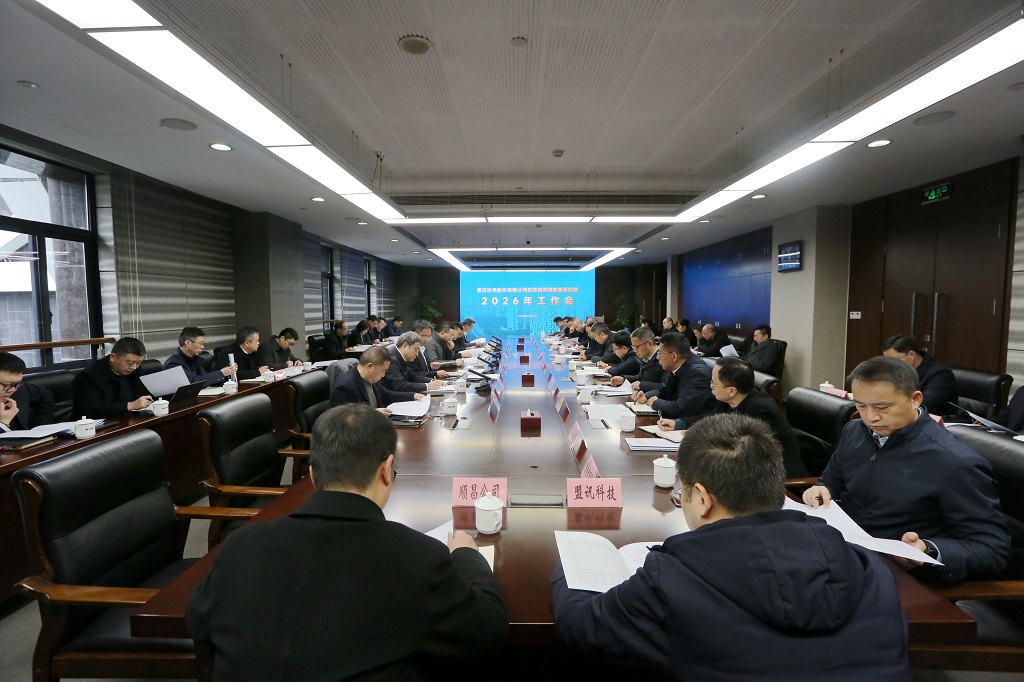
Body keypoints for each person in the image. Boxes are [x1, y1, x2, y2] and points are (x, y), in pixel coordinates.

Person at [552, 413, 911, 681]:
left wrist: (573, 559)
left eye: (681, 493)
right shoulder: (866, 565)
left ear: (702, 498)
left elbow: (584, 628)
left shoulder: (673, 579)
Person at [187, 403, 508, 680]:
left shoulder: (241, 545)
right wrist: (467, 555)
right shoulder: (417, 557)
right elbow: (487, 631)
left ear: (313, 475)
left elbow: (198, 622)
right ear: (387, 470)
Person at [803, 357, 1009, 584]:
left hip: (897, 574)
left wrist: (928, 549)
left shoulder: (955, 461)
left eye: (883, 407)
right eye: (861, 406)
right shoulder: (855, 430)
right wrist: (821, 488)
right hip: (843, 549)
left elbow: (992, 549)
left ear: (915, 399)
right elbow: (832, 479)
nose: (870, 417)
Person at [660, 356, 806, 477]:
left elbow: (748, 450)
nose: (711, 386)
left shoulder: (760, 409)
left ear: (732, 390)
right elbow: (711, 419)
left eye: (714, 383)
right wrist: (679, 423)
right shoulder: (730, 399)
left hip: (776, 476)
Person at [634, 332, 717, 423]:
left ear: (674, 356)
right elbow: (664, 389)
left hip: (699, 425)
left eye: (660, 353)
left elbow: (681, 409)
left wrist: (655, 403)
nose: (657, 357)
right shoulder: (680, 366)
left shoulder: (698, 374)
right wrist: (646, 396)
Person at [71, 337, 154, 418]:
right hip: (103, 424)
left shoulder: (135, 371)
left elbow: (144, 393)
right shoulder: (88, 377)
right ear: (113, 357)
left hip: (131, 420)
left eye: (139, 363)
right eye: (129, 362)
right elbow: (90, 411)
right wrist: (129, 406)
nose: (134, 367)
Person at [330, 346, 422, 414]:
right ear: (369, 366)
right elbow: (345, 419)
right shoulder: (345, 387)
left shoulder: (371, 378)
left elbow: (388, 395)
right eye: (383, 370)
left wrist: (413, 395)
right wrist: (374, 413)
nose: (383, 375)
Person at [881, 334, 957, 416]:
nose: (891, 364)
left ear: (912, 355)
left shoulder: (941, 374)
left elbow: (925, 404)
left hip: (934, 419)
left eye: (894, 360)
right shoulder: (896, 370)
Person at [164, 326, 237, 386]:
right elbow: (192, 382)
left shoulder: (195, 359)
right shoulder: (173, 363)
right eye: (200, 343)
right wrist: (221, 373)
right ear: (188, 343)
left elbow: (205, 379)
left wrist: (228, 371)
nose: (202, 347)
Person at [0, 352, 55, 432]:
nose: (13, 389)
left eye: (17, 384)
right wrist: (3, 423)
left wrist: (40, 430)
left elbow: (45, 396)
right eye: (7, 385)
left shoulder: (21, 389)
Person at [608, 327, 664, 392]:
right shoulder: (645, 358)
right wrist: (623, 379)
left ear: (649, 344)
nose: (635, 350)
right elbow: (640, 378)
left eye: (636, 347)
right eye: (633, 347)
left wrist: (642, 385)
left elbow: (665, 386)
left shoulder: (664, 358)